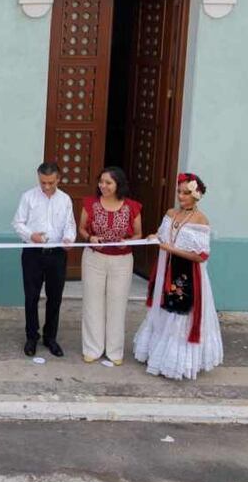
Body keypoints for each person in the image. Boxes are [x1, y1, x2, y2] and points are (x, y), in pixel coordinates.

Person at [134, 173, 223, 380]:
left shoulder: (201, 220)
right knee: (163, 308)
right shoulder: (171, 213)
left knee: (180, 312)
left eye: (186, 193)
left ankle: (177, 362)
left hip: (187, 272)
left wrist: (167, 247)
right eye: (179, 192)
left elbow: (200, 255)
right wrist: (155, 238)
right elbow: (163, 236)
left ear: (196, 195)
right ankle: (157, 353)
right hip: (167, 267)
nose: (181, 197)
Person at [78, 166, 142, 365]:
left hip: (122, 261)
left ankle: (115, 351)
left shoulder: (132, 206)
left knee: (117, 303)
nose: (103, 186)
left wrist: (129, 241)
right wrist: (90, 237)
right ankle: (92, 348)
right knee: (92, 302)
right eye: (101, 182)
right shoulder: (90, 203)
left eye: (108, 182)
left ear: (118, 185)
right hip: (94, 258)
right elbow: (81, 228)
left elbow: (139, 234)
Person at [12, 161, 76, 358]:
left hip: (56, 253)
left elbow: (70, 224)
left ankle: (50, 337)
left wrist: (69, 238)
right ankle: (31, 337)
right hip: (33, 253)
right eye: (43, 183)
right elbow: (17, 223)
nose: (46, 186)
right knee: (31, 297)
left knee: (55, 297)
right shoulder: (28, 197)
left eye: (50, 182)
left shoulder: (65, 199)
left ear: (58, 179)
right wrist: (32, 236)